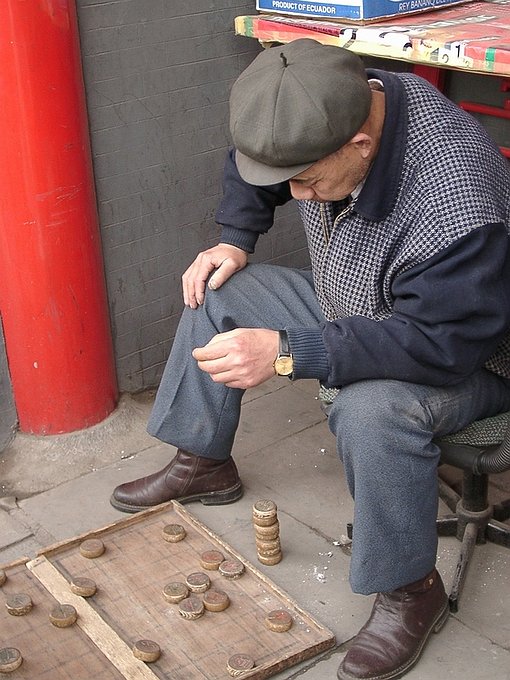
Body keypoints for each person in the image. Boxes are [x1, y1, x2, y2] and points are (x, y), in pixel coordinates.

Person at [111, 39, 510, 679]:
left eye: (309, 182)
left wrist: (291, 352)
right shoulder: (329, 103)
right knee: (219, 287)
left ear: (361, 144)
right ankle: (203, 461)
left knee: (372, 410)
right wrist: (235, 239)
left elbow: (438, 347)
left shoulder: (457, 204)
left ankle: (410, 590)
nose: (295, 196)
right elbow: (260, 164)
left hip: (470, 358)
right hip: (358, 301)